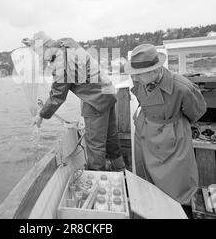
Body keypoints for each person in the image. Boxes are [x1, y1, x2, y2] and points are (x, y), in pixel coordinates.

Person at [24, 31, 125, 172]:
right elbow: (56, 43)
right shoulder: (68, 44)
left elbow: (58, 94)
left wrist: (41, 115)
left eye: (39, 52)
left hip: (95, 101)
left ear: (46, 47)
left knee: (95, 145)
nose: (40, 57)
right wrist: (33, 42)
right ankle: (120, 169)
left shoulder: (61, 62)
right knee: (111, 137)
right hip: (108, 93)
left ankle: (96, 177)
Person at [124, 43, 207, 214]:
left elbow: (197, 111)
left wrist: (172, 123)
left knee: (178, 185)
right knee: (147, 182)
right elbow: (141, 98)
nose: (136, 78)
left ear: (155, 70)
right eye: (135, 74)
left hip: (173, 136)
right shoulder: (138, 79)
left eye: (139, 74)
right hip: (146, 132)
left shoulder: (182, 86)